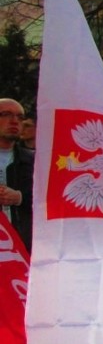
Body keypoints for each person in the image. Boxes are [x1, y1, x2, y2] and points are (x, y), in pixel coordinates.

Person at [0, 98, 34, 251]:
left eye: (20, 117)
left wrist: (20, 197)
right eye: (6, 114)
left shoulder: (36, 161)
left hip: (25, 248)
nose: (14, 121)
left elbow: (52, 198)